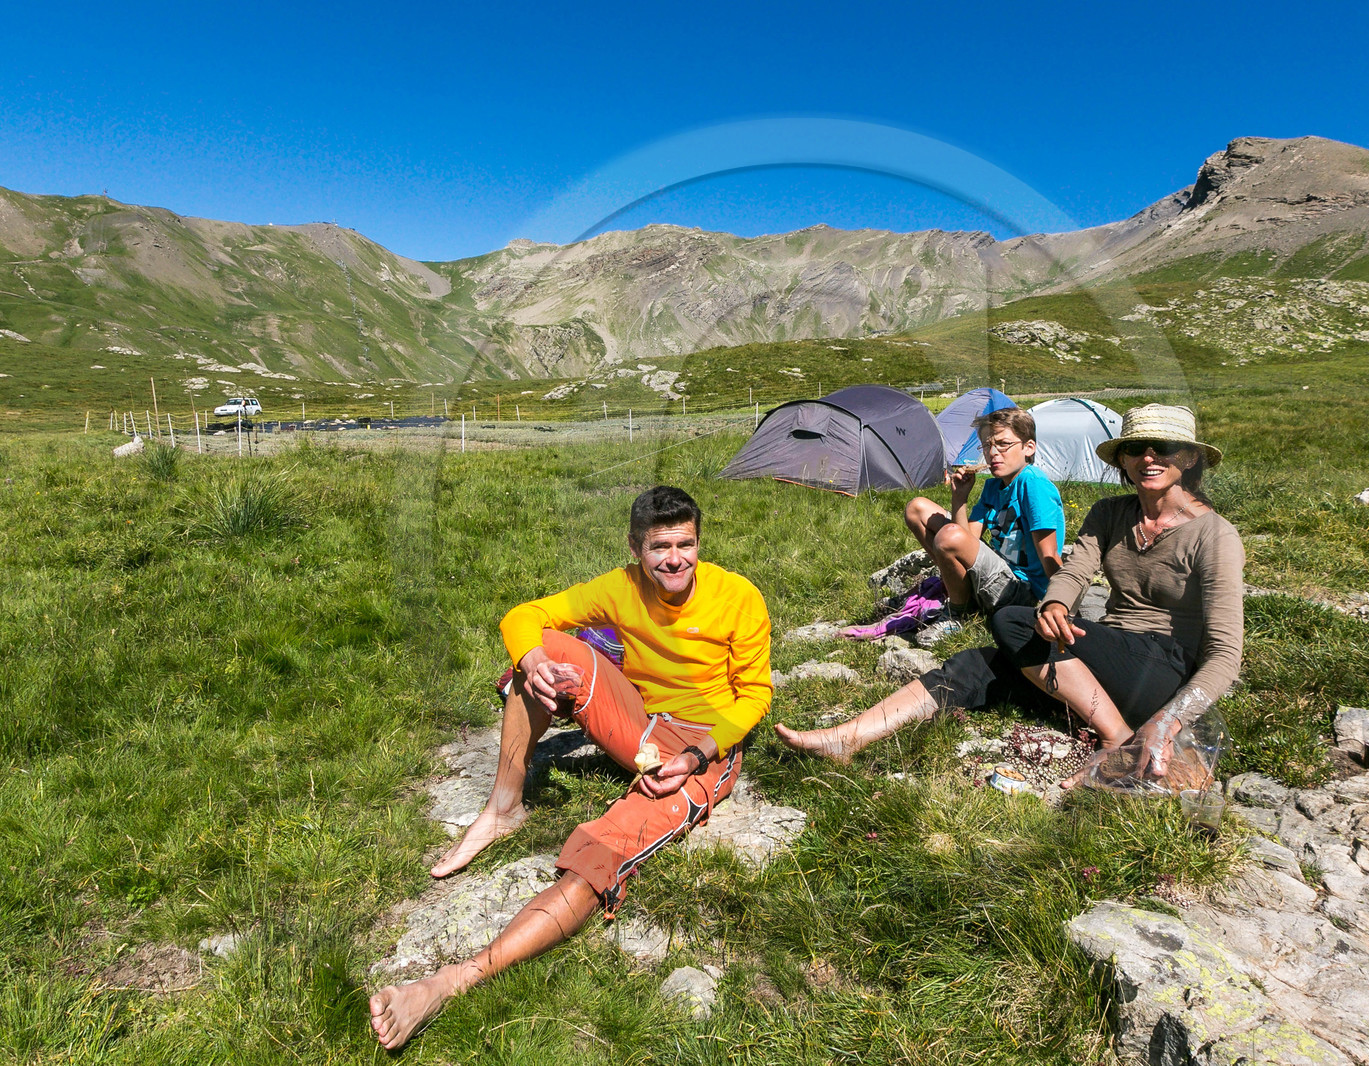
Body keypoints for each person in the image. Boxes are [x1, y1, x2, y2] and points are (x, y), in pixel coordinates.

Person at [370, 486, 772, 1050]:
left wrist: (693, 757)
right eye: (660, 547)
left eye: (686, 544)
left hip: (706, 746)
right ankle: (502, 809)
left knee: (601, 852)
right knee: (546, 652)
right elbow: (525, 616)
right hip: (640, 721)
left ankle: (449, 982)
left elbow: (753, 699)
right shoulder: (621, 586)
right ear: (636, 548)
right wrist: (530, 660)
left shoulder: (739, 597)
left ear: (700, 543)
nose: (675, 559)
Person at [778, 405, 1243, 786]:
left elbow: (1225, 655)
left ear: (1189, 458)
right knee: (979, 663)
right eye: (1135, 449)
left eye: (1162, 448)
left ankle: (1118, 737)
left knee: (1013, 622)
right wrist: (1056, 603)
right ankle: (848, 738)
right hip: (1106, 662)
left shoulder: (1214, 536)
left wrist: (1171, 720)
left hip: (1164, 671)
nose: (1148, 458)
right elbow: (1075, 570)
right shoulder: (1110, 512)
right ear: (1121, 459)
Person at [903, 407, 1065, 619]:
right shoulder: (992, 488)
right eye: (987, 445)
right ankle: (960, 591)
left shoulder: (1033, 484)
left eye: (1003, 444)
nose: (993, 452)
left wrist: (1062, 604)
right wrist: (959, 498)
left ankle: (958, 614)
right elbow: (967, 538)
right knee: (917, 508)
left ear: (1029, 448)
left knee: (949, 536)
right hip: (998, 575)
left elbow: (1049, 554)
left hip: (1024, 591)